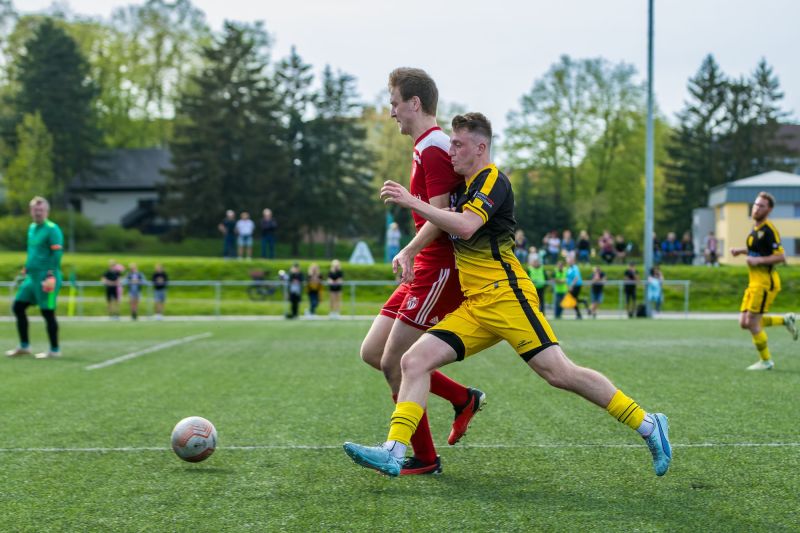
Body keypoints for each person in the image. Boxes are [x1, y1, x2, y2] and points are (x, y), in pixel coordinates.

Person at [345, 112, 671, 478]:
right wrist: (412, 246)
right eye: (451, 142)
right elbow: (449, 222)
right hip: (476, 305)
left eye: (458, 144)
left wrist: (413, 202)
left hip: (507, 297)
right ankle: (395, 449)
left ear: (480, 147)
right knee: (412, 361)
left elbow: (467, 227)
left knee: (560, 373)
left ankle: (647, 423)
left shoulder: (493, 179)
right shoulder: (467, 188)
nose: (450, 150)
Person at [358, 68, 484, 476]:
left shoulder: (434, 148)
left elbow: (445, 213)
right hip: (424, 265)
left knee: (397, 360)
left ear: (415, 103)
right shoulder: (426, 147)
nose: (391, 111)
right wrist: (411, 251)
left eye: (394, 102)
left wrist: (410, 248)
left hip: (440, 269)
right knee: (373, 353)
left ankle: (424, 458)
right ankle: (463, 398)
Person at [729, 192, 798, 370]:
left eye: (761, 206)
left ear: (769, 209)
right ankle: (785, 320)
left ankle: (766, 361)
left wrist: (758, 261)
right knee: (744, 322)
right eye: (756, 204)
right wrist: (740, 251)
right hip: (753, 283)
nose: (756, 208)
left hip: (765, 283)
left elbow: (781, 256)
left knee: (752, 322)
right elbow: (757, 250)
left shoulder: (769, 230)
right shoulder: (756, 229)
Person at [5, 196, 63, 359]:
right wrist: (27, 267)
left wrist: (50, 275)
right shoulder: (31, 228)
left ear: (47, 211)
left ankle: (55, 349)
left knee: (47, 313)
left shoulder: (52, 229)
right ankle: (24, 346)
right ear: (31, 211)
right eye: (35, 210)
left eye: (41, 210)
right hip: (32, 278)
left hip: (47, 276)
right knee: (18, 307)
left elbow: (57, 253)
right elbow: (34, 252)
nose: (38, 213)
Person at [565, 253, 588, 319]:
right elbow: (568, 278)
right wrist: (568, 285)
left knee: (572, 299)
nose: (568, 262)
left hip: (576, 286)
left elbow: (576, 278)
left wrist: (571, 286)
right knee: (573, 299)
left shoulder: (575, 268)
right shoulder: (569, 268)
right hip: (572, 286)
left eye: (570, 260)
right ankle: (583, 302)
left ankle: (579, 314)